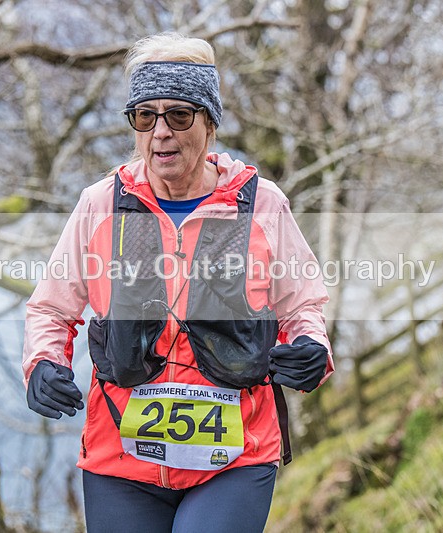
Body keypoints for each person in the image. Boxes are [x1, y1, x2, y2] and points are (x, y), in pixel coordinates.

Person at [23, 32, 334, 533]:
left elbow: (302, 307)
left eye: (179, 116)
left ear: (209, 124)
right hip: (120, 459)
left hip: (235, 456)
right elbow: (52, 309)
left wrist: (310, 347)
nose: (161, 132)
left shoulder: (261, 204)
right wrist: (42, 363)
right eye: (145, 117)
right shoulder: (102, 205)